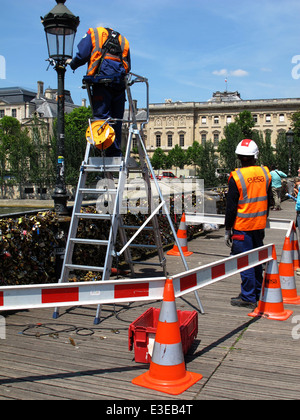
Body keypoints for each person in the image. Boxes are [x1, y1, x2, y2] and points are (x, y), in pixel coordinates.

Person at [67, 27, 131, 157]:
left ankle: (101, 150)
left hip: (101, 82)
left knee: (102, 119)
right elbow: (128, 66)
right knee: (116, 121)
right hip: (119, 84)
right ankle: (114, 152)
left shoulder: (94, 33)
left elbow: (82, 55)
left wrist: (72, 64)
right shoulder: (123, 40)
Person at [224, 139, 272, 309]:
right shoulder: (266, 173)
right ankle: (257, 292)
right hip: (259, 225)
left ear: (239, 156)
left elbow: (231, 208)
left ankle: (248, 296)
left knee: (245, 263)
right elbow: (269, 200)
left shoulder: (236, 177)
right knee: (258, 261)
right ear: (255, 155)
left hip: (242, 227)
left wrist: (227, 228)